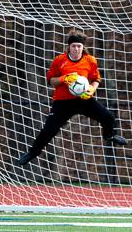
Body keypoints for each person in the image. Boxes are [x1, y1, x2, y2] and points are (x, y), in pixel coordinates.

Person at [17, 31, 126, 166]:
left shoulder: (90, 60)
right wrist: (64, 79)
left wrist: (92, 88)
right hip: (63, 102)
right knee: (48, 130)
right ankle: (32, 153)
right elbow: (51, 81)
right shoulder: (60, 60)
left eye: (79, 46)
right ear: (69, 47)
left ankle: (109, 136)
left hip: (84, 100)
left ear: (83, 47)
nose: (76, 49)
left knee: (108, 117)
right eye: (74, 46)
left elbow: (96, 78)